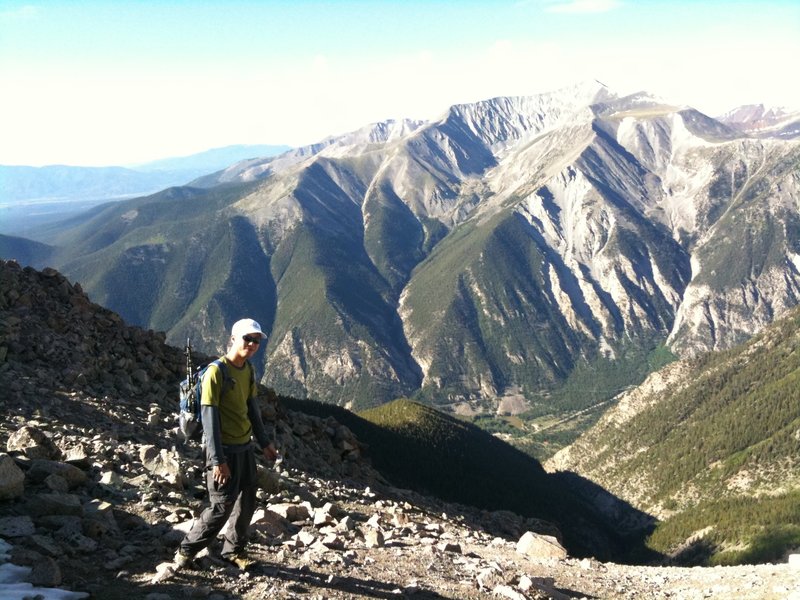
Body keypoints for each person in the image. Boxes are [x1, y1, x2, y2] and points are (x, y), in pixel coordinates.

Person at [174, 318, 278, 570]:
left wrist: (264, 443)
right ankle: (185, 551)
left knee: (247, 500)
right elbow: (209, 420)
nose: (252, 345)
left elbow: (252, 409)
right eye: (247, 339)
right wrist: (218, 460)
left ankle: (234, 550)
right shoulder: (216, 372)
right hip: (222, 450)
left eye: (256, 341)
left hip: (244, 447)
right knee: (221, 505)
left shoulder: (248, 370)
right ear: (233, 338)